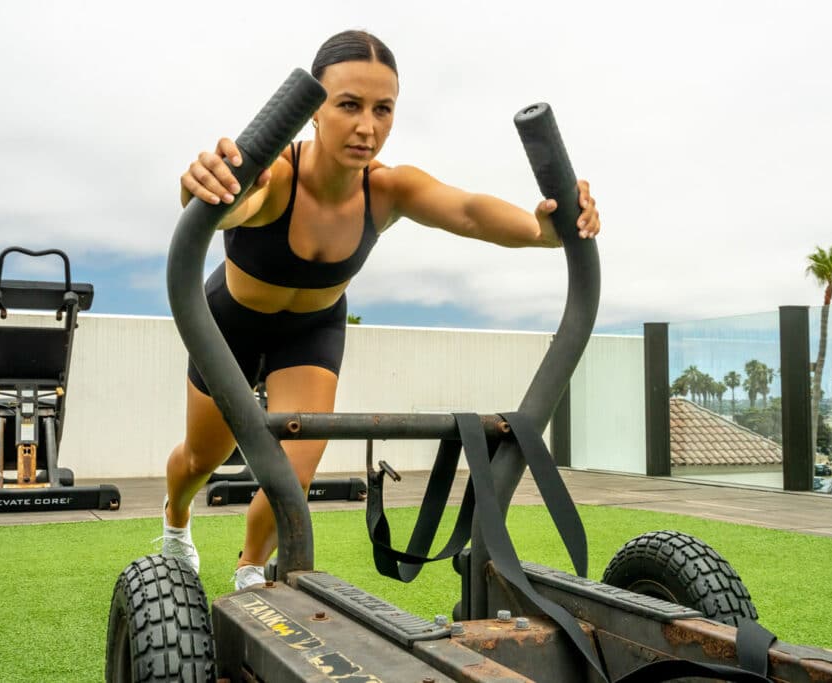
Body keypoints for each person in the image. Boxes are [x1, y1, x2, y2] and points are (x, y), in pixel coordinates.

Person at [160, 29, 601, 590]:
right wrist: (203, 191)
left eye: (382, 109)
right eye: (348, 105)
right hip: (230, 325)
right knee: (203, 457)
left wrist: (541, 232)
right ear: (314, 111)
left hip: (311, 331)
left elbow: (465, 210)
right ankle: (176, 522)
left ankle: (249, 568)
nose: (367, 127)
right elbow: (230, 207)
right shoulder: (278, 176)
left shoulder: (387, 190)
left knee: (292, 471)